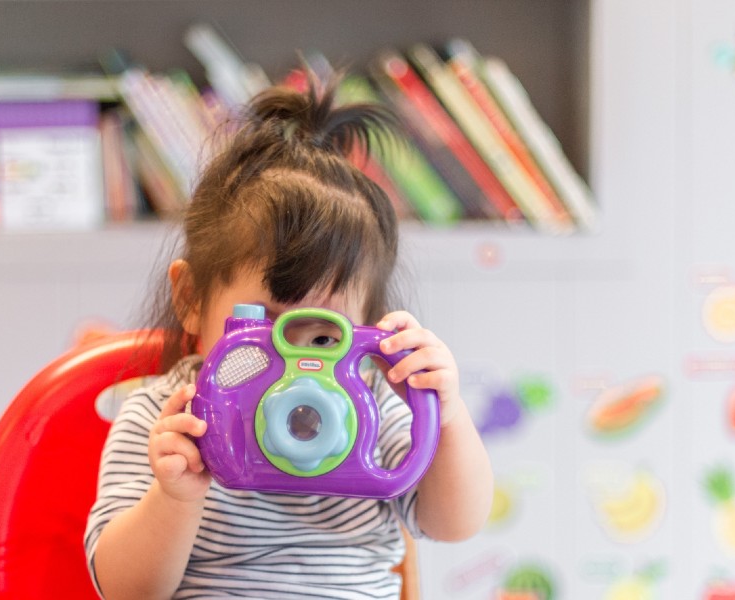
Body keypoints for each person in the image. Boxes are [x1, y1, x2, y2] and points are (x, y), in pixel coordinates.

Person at [84, 74, 494, 599]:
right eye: (265, 324)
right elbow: (125, 590)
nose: (292, 361)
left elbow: (453, 523)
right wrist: (175, 496)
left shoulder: (370, 409)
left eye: (323, 338)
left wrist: (446, 413)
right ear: (190, 298)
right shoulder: (164, 420)